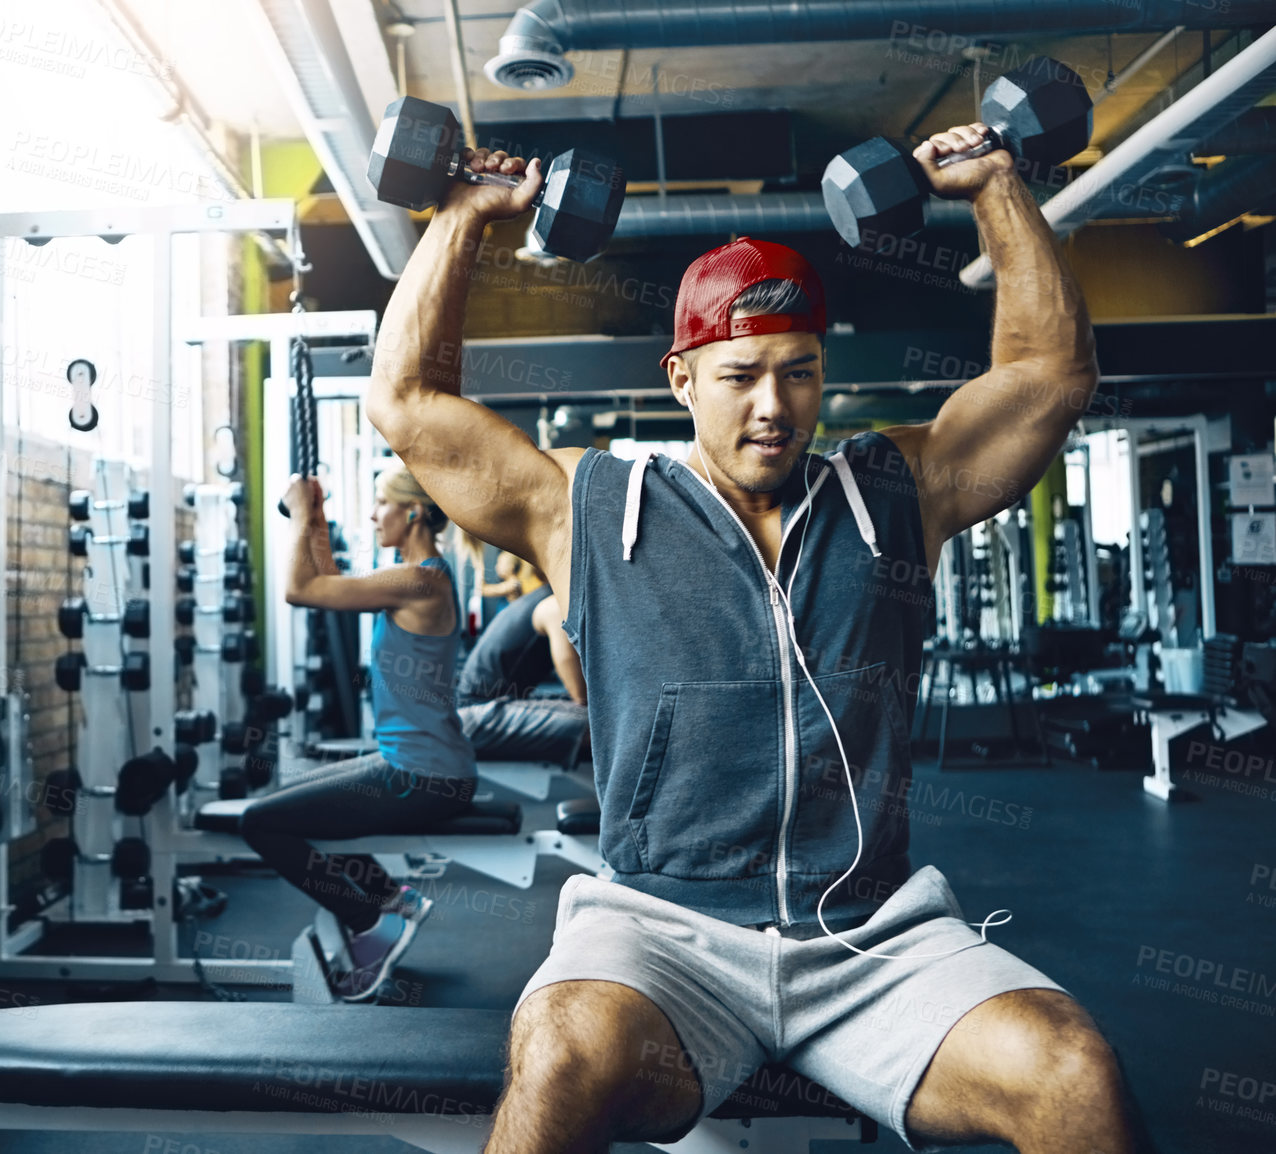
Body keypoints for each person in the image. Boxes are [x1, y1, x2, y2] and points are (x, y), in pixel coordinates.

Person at [365, 124, 1153, 1153]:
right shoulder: (590, 504)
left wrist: (996, 184)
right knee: (559, 1053)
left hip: (871, 936)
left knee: (1071, 1070)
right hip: (661, 931)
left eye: (798, 371)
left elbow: (1048, 375)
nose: (773, 406)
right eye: (739, 375)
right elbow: (409, 402)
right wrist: (465, 216)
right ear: (681, 376)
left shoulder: (894, 490)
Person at [236, 465, 477, 1002]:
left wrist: (302, 511)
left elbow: (300, 590)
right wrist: (314, 516)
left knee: (260, 823)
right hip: (416, 764)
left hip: (423, 776)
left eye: (380, 504)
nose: (371, 516)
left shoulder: (420, 581)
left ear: (412, 511)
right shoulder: (413, 574)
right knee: (286, 802)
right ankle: (393, 897)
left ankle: (373, 923)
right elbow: (323, 583)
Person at [453, 577, 589, 764]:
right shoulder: (554, 605)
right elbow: (581, 695)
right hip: (478, 714)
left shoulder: (544, 596)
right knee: (598, 722)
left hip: (490, 705)